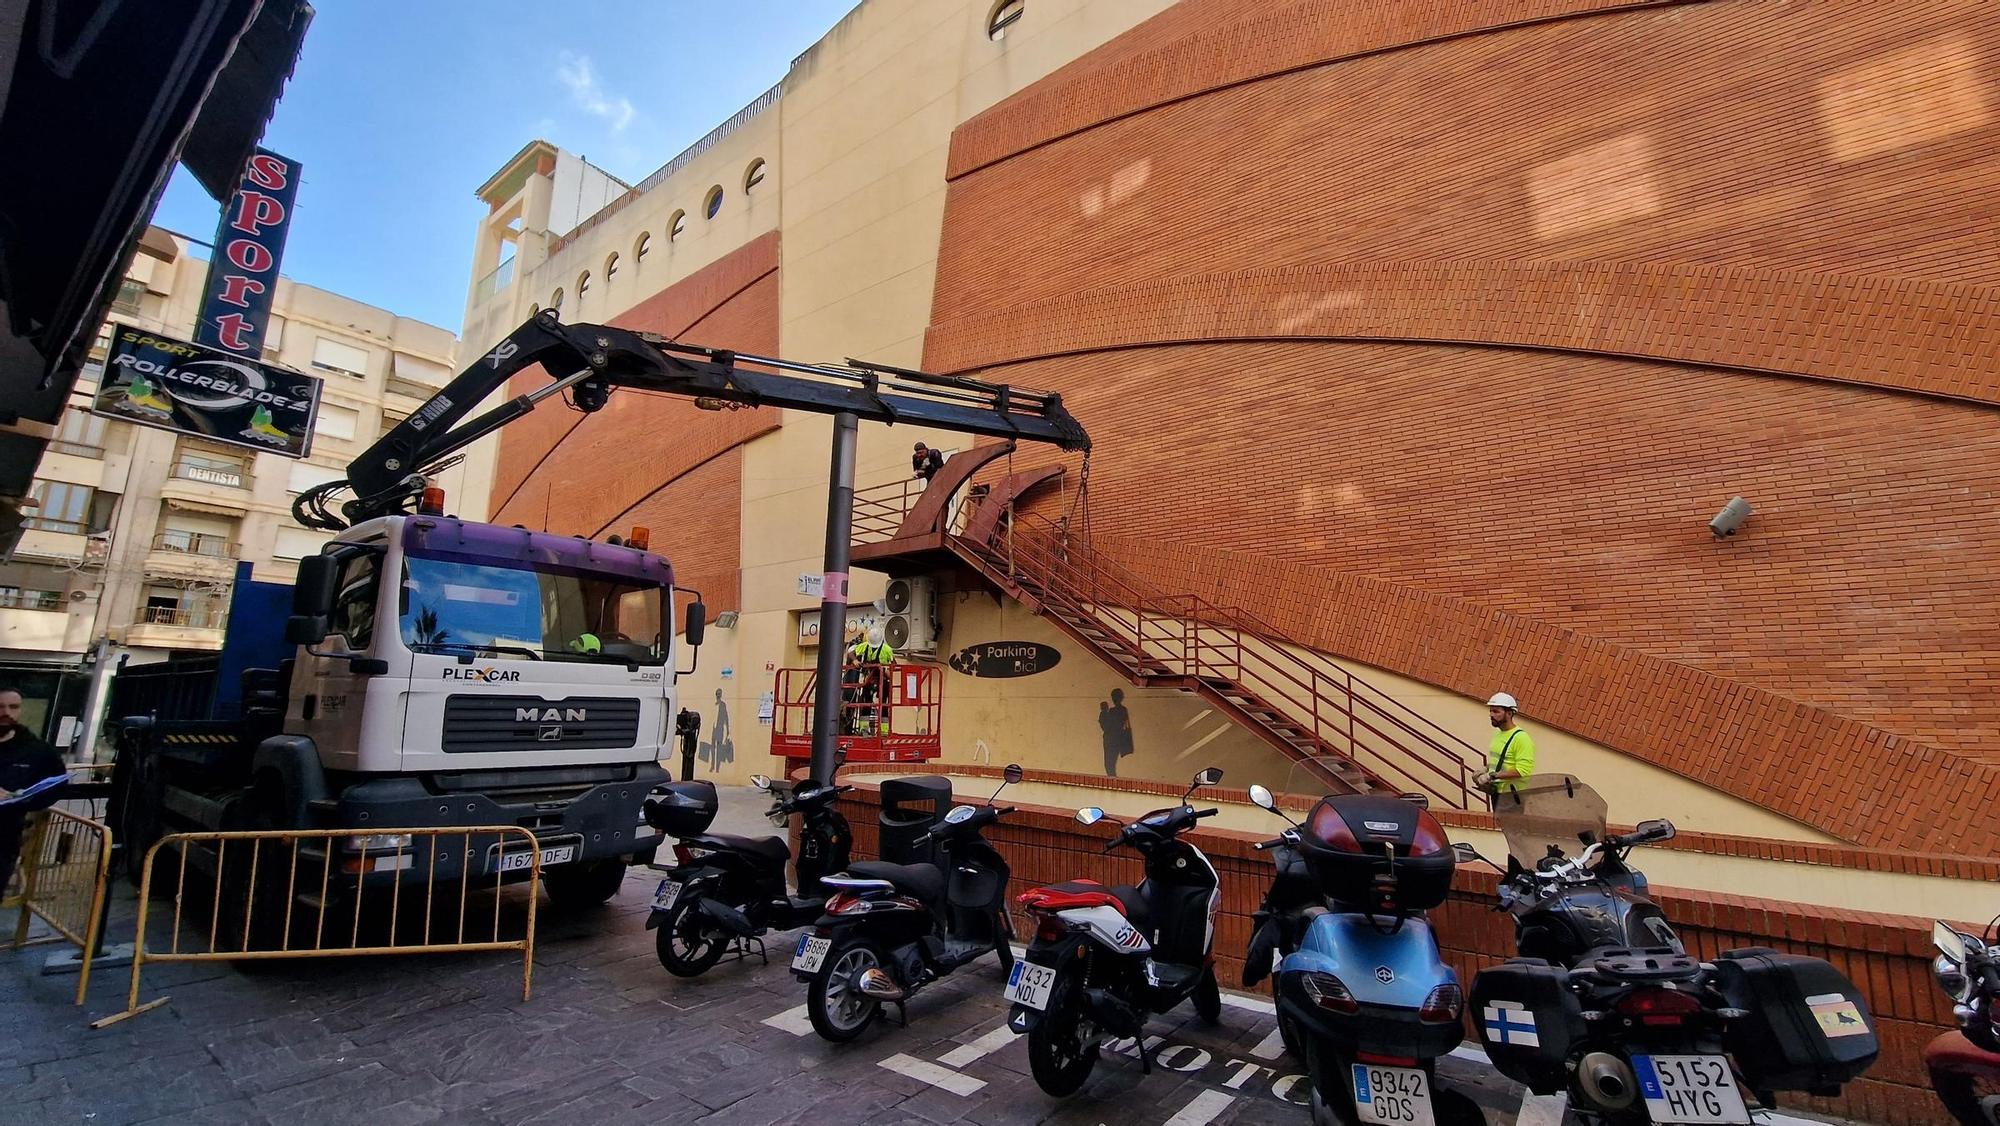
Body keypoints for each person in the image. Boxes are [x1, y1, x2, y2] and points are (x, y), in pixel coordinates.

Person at [0, 687, 66, 895]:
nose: (6, 712)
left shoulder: (36, 750)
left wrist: (22, 799)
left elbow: (56, 784)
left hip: (4, 839)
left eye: (13, 707)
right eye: (0, 707)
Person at [1475, 692, 1535, 803]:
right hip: (1498, 793)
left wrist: (1492, 776)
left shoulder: (1521, 738)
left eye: (1496, 711)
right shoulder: (1497, 733)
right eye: (1490, 711)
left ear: (1509, 713)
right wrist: (1487, 769)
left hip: (1513, 795)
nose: (1491, 715)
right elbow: (1501, 761)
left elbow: (1523, 771)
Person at [844, 627, 895, 733]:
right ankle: (864, 730)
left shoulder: (887, 649)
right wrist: (855, 661)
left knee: (884, 705)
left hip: (883, 679)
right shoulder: (865, 646)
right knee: (866, 703)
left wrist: (887, 670)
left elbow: (894, 664)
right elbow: (850, 652)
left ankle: (884, 731)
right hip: (869, 678)